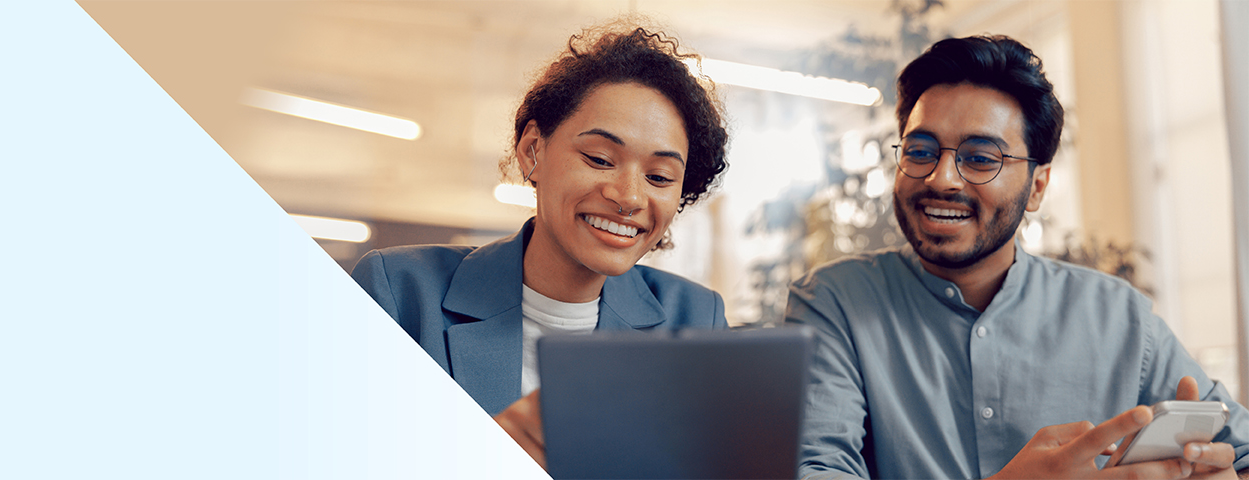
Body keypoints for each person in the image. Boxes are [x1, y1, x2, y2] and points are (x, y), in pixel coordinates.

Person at [787, 35, 1249, 479]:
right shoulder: (835, 302)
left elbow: (1241, 452)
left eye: (981, 158)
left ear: (1038, 187)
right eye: (920, 150)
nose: (942, 178)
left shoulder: (1120, 317)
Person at [349, 21, 729, 469]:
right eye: (600, 160)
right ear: (533, 152)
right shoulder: (401, 293)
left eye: (659, 177)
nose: (628, 197)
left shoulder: (694, 320)